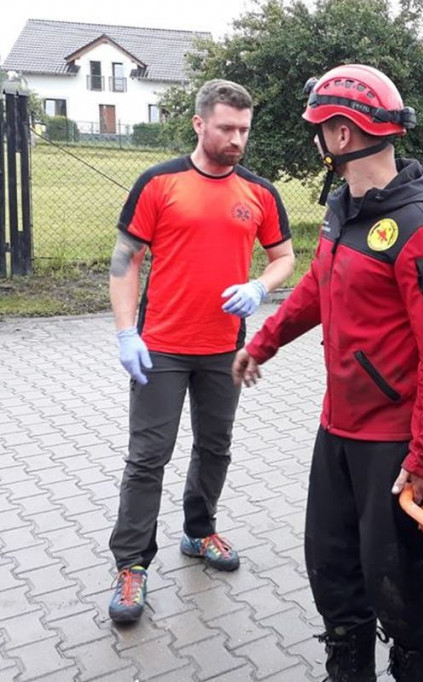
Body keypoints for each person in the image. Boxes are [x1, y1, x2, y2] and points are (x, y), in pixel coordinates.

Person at [232, 64, 423, 682]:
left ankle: (414, 665)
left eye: (319, 130)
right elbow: (317, 284)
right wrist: (265, 343)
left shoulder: (421, 227)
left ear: (340, 135)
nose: (317, 141)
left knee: (393, 581)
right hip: (336, 428)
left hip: (391, 442)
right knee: (331, 568)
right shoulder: (345, 207)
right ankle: (348, 665)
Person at [107, 79, 295, 623]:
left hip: (224, 349)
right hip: (160, 348)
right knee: (148, 458)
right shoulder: (159, 182)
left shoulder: (259, 193)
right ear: (199, 123)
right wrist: (126, 332)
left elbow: (284, 257)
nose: (237, 139)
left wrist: (260, 286)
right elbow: (124, 261)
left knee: (216, 447)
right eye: (226, 128)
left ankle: (199, 530)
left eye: (244, 130)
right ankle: (131, 564)